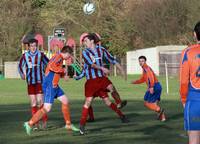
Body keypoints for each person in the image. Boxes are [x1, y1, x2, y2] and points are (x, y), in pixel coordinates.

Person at [79, 33, 129, 135]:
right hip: (91, 81)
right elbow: (91, 64)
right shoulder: (85, 52)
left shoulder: (101, 50)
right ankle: (82, 125)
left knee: (112, 89)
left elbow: (113, 60)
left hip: (101, 79)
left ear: (92, 41)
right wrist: (102, 68)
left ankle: (120, 108)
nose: (84, 43)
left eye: (86, 41)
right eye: (84, 41)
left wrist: (122, 70)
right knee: (88, 103)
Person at [23, 46, 79, 135]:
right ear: (67, 53)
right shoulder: (58, 57)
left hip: (55, 85)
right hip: (50, 86)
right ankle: (29, 123)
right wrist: (63, 70)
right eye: (70, 55)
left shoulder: (60, 59)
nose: (69, 57)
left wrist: (62, 75)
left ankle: (68, 124)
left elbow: (54, 72)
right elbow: (51, 66)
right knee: (47, 108)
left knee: (65, 100)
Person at [18, 38, 48, 129]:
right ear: (29, 47)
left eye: (35, 46)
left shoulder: (41, 55)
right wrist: (22, 74)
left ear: (37, 46)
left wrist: (48, 73)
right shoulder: (25, 56)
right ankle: (35, 123)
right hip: (30, 82)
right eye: (31, 46)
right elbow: (19, 66)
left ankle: (44, 121)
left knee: (40, 102)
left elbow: (49, 63)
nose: (33, 47)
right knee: (33, 103)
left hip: (40, 81)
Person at [180, 21, 200, 144]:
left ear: (194, 34)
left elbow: (183, 81)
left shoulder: (188, 52)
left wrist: (183, 99)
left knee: (194, 139)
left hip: (194, 101)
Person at [132, 56, 166, 122]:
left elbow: (150, 77)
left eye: (142, 61)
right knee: (154, 103)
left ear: (145, 61)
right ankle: (162, 118)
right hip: (157, 86)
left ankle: (159, 110)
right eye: (140, 61)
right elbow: (143, 79)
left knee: (147, 103)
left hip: (154, 86)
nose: (141, 62)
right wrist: (135, 82)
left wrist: (151, 87)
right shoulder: (145, 68)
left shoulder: (146, 68)